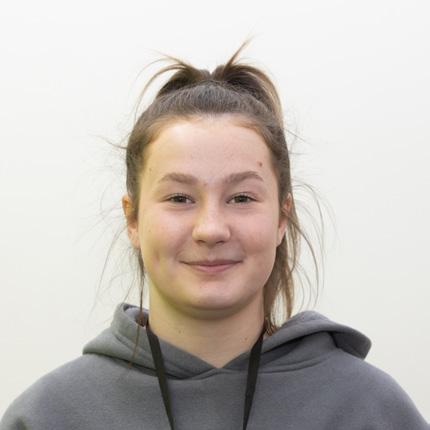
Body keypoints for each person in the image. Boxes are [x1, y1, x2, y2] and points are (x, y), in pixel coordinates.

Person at [1, 39, 428, 430]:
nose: (211, 229)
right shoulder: (47, 416)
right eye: (179, 198)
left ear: (282, 218)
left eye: (241, 198)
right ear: (132, 219)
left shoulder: (369, 410)